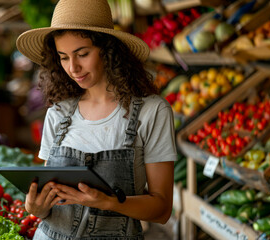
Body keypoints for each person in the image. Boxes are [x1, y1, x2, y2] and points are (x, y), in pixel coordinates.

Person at [16, 0, 176, 239]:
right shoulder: (58, 113)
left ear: (108, 50)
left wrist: (109, 202)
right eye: (63, 57)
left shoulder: (152, 112)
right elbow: (47, 194)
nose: (73, 68)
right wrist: (35, 207)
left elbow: (162, 209)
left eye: (82, 54)